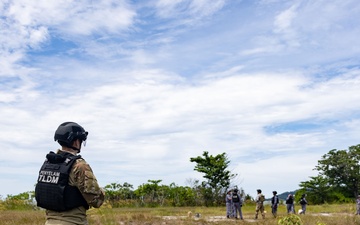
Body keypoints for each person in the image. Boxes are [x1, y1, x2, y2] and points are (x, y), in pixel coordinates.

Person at [35, 122, 105, 225]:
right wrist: (102, 191)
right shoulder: (80, 165)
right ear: (76, 142)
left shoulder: (48, 163)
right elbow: (96, 201)